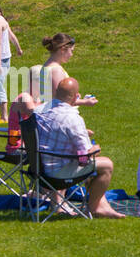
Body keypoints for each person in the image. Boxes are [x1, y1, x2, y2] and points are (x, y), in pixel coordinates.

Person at [33, 77, 121, 218]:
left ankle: (99, 206)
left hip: (38, 169)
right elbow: (84, 158)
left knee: (83, 157)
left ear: (56, 93)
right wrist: (95, 148)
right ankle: (93, 208)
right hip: (58, 174)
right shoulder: (73, 118)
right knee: (106, 164)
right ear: (75, 97)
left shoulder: (38, 111)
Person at [39, 33, 97, 107]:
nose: (71, 55)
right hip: (58, 115)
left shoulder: (46, 66)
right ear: (63, 49)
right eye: (71, 51)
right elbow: (60, 100)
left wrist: (73, 96)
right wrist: (85, 101)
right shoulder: (56, 70)